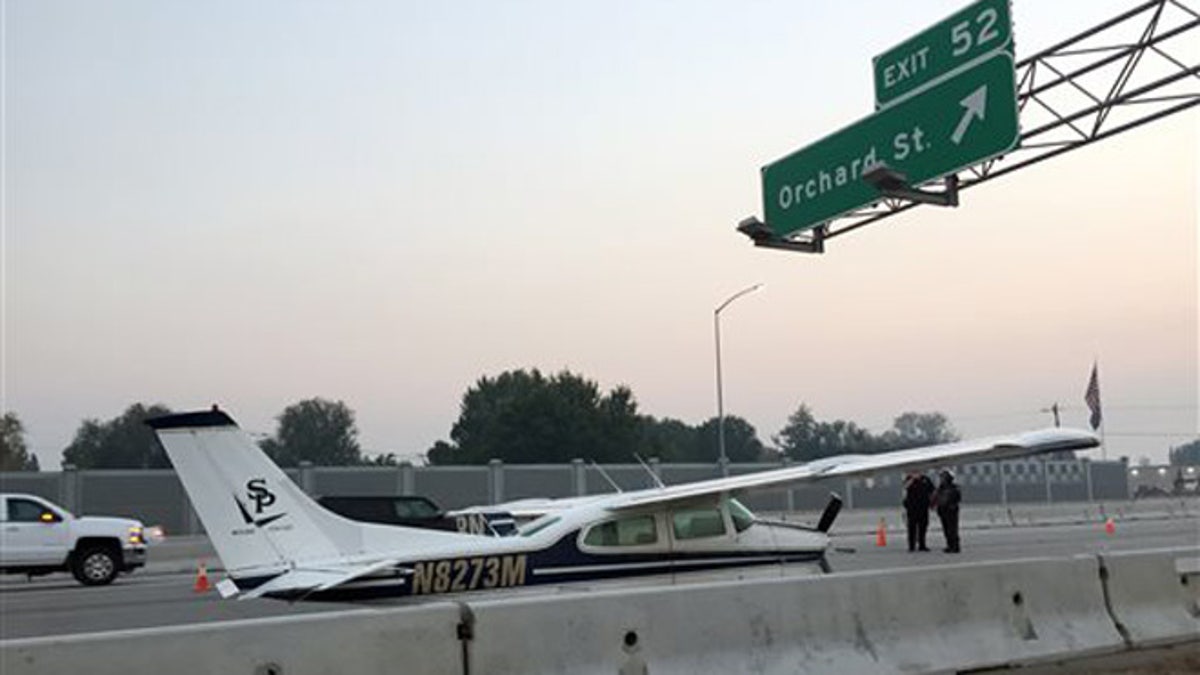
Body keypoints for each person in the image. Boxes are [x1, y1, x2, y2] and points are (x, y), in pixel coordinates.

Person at [902, 471, 934, 552]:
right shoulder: (909, 478)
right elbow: (905, 487)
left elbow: (932, 491)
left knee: (923, 527)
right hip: (912, 508)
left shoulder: (926, 479)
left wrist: (932, 503)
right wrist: (913, 479)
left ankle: (922, 545)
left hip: (923, 507)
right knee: (912, 527)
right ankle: (911, 546)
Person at [933, 470, 962, 553]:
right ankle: (949, 545)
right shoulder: (940, 488)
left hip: (951, 510)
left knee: (952, 529)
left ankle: (955, 546)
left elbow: (957, 498)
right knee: (946, 529)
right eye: (942, 477)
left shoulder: (954, 487)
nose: (942, 479)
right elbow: (937, 498)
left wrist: (951, 505)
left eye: (944, 477)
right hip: (943, 510)